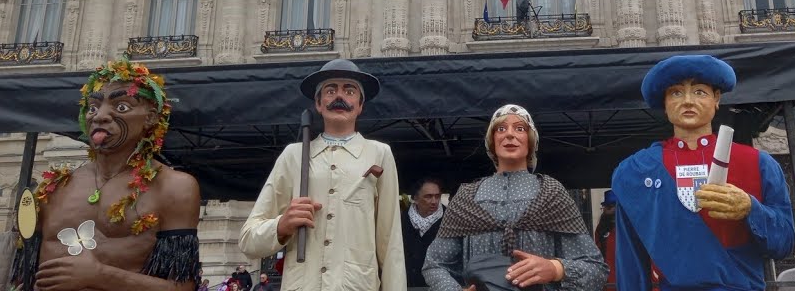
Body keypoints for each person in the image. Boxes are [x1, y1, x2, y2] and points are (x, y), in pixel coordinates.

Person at [611, 55, 795, 291]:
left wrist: (751, 209)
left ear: (716, 99)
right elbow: (629, 260)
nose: (688, 101)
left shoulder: (758, 163)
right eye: (676, 93)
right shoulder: (634, 171)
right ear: (665, 103)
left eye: (699, 92)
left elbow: (785, 243)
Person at [16, 59, 202, 291]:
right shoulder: (53, 189)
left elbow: (183, 287)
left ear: (151, 117)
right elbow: (24, 277)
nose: (99, 116)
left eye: (121, 106)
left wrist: (101, 276)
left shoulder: (174, 187)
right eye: (92, 108)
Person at [239, 58, 406, 291]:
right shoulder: (293, 156)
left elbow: (391, 245)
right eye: (330, 90)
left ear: (360, 105)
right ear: (318, 103)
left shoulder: (379, 154)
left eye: (349, 90)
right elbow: (248, 240)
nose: (340, 96)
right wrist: (281, 225)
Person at [423, 104, 607, 291]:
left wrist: (555, 268)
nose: (509, 134)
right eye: (501, 129)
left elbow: (595, 269)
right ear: (492, 141)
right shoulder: (466, 198)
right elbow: (435, 264)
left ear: (530, 140)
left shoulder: (551, 193)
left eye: (520, 128)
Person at [401, 177, 445, 289]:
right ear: (415, 198)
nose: (434, 201)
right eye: (428, 196)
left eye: (437, 196)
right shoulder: (401, 219)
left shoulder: (449, 219)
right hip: (407, 284)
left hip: (438, 285)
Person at [593, 192, 617, 291]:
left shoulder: (626, 227)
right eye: (604, 206)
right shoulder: (601, 228)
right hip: (608, 278)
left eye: (609, 206)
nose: (606, 210)